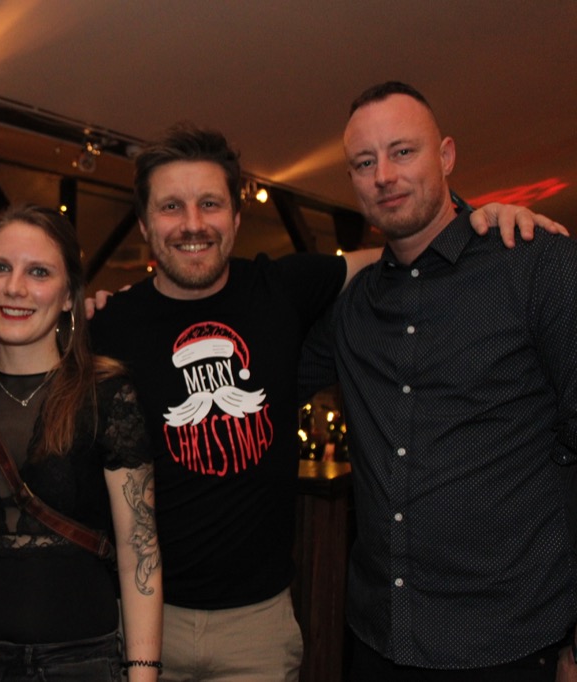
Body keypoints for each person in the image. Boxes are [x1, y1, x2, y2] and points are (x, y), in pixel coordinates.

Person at [87, 122, 565, 681]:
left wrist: (483, 221)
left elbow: (406, 247)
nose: (193, 224)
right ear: (145, 224)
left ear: (236, 218)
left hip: (256, 631)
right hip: (140, 617)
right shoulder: (108, 325)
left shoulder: (282, 288)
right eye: (171, 207)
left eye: (210, 204)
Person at [298, 81, 577, 682]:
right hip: (378, 641)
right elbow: (258, 345)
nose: (384, 176)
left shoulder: (536, 264)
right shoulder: (351, 312)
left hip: (511, 643)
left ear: (446, 156)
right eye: (364, 163)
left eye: (403, 152)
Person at [0, 204, 163, 681]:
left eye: (39, 272)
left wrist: (143, 673)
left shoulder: (106, 394)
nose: (15, 287)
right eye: (0, 268)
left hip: (79, 665)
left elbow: (140, 552)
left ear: (70, 295)